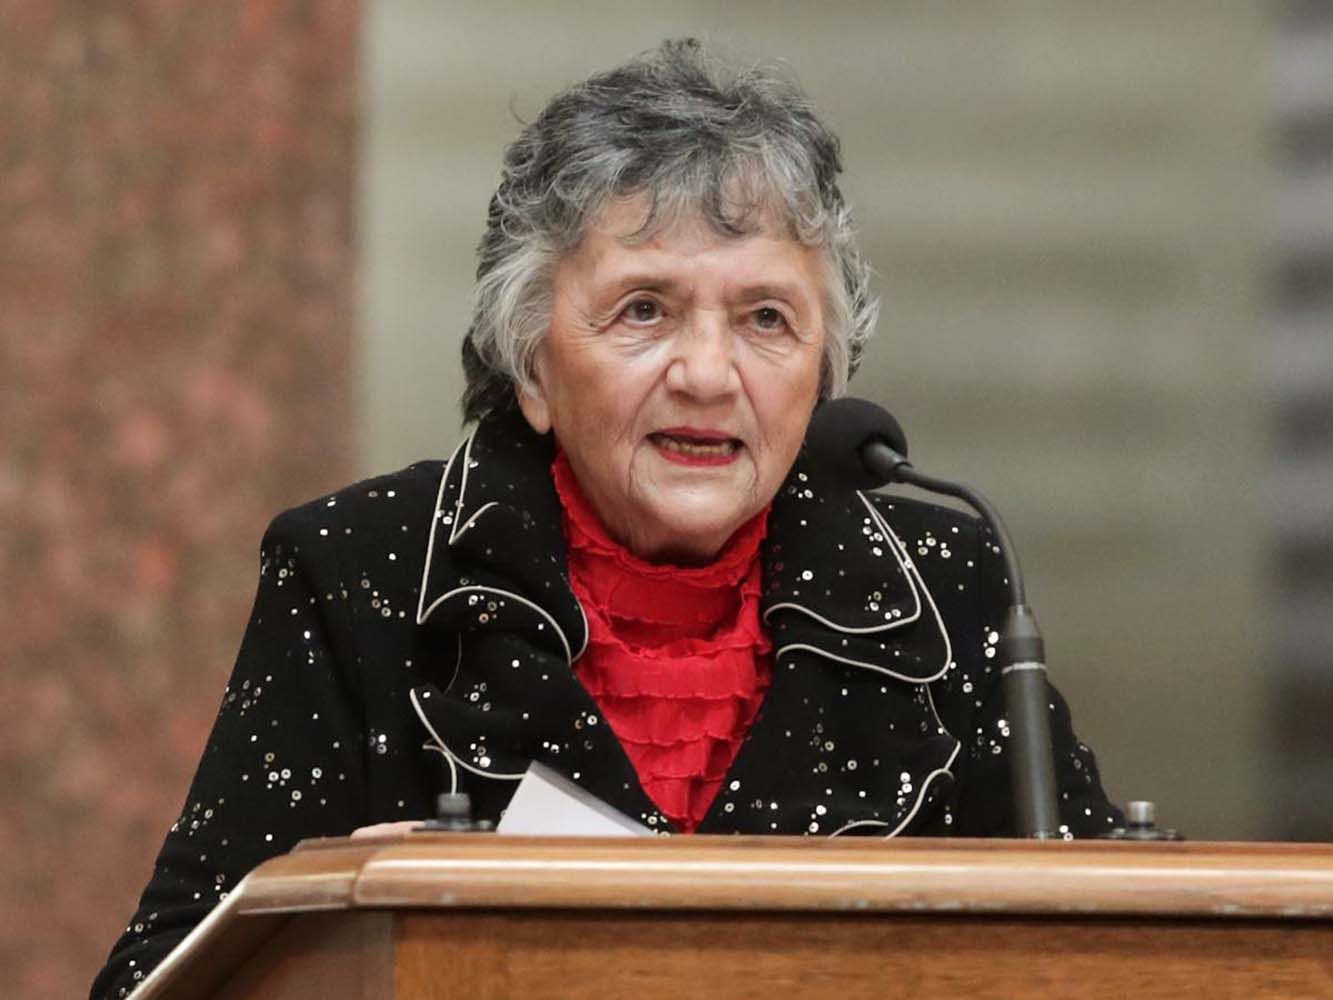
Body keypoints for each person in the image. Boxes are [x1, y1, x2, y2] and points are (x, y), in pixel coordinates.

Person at [91, 39, 1120, 999]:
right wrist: (362, 899)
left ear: (823, 367)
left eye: (766, 318)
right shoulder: (366, 571)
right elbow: (166, 974)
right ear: (532, 364)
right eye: (644, 311)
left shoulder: (939, 580)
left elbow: (1118, 950)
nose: (708, 375)